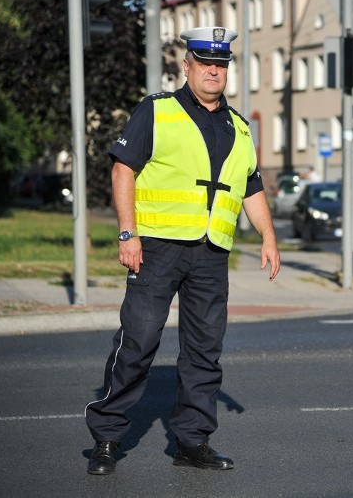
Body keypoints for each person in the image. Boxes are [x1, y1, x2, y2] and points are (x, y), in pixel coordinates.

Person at [84, 26, 281, 475]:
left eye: (221, 64)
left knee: (204, 350)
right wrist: (127, 234)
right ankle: (108, 439)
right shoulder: (157, 111)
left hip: (211, 254)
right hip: (157, 248)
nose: (214, 71)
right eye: (205, 63)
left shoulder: (239, 127)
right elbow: (123, 170)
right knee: (138, 341)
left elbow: (251, 187)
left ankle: (192, 441)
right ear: (187, 65)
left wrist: (268, 237)